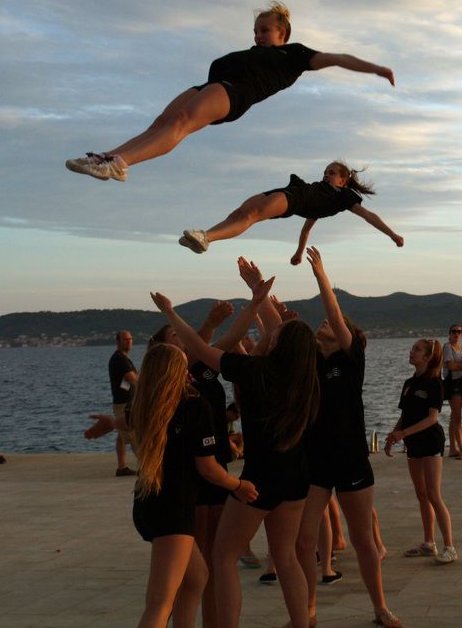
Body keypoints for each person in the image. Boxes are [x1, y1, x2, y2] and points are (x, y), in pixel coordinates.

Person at [151, 275, 320, 628]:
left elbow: (197, 349)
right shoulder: (306, 377)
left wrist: (169, 311)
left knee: (223, 557)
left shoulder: (253, 369)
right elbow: (285, 332)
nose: (270, 334)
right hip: (296, 477)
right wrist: (259, 295)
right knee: (286, 557)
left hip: (259, 480)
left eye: (274, 335)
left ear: (278, 344)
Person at [65, 1, 395, 181]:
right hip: (210, 86)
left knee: (180, 122)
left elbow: (338, 58)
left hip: (235, 93)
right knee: (158, 125)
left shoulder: (293, 55)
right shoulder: (255, 52)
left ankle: (120, 163)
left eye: (265, 30)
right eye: (255, 31)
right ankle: (109, 157)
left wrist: (375, 68)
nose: (258, 35)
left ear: (283, 32)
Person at [294, 247, 401, 628]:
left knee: (363, 540)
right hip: (316, 462)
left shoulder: (352, 361)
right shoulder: (313, 362)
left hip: (352, 459)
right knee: (302, 542)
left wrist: (322, 276)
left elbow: (336, 314)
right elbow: (283, 331)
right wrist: (259, 297)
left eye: (331, 324)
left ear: (347, 337)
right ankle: (306, 613)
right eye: (320, 323)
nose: (324, 324)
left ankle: (380, 608)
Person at [129, 343, 258, 628]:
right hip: (174, 511)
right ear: (176, 373)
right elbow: (208, 468)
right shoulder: (194, 407)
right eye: (184, 367)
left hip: (148, 504)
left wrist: (109, 422)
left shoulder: (142, 404)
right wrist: (237, 485)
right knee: (160, 603)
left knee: (196, 579)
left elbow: (125, 423)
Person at [178, 162, 404, 257]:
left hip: (293, 199)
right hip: (290, 191)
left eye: (332, 172)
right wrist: (298, 252)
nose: (326, 174)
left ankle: (206, 237)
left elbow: (368, 216)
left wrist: (392, 234)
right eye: (325, 170)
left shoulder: (343, 197)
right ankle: (202, 238)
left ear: (343, 181)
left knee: (252, 216)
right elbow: (306, 231)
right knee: (238, 214)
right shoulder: (322, 197)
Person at [386, 338, 458, 564]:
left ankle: (449, 546)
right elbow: (404, 415)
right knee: (421, 494)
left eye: (417, 349)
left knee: (433, 494)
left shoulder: (435, 383)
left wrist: (404, 434)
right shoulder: (408, 383)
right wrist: (393, 436)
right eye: (412, 348)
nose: (411, 352)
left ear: (427, 357)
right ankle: (429, 543)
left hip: (430, 442)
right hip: (413, 444)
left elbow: (432, 418)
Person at [109, 330, 139, 477]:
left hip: (124, 402)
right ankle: (147, 467)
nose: (129, 342)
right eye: (125, 339)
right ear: (118, 341)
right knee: (132, 434)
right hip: (123, 404)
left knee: (121, 436)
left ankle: (121, 468)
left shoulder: (123, 359)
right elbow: (133, 378)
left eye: (130, 339)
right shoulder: (119, 359)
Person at [442, 324, 462, 459]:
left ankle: (453, 448)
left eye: (459, 331)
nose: (457, 334)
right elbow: (450, 365)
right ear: (449, 333)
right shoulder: (448, 347)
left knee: (454, 416)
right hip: (452, 382)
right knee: (457, 417)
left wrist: (461, 367)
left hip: (461, 382)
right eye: (454, 331)